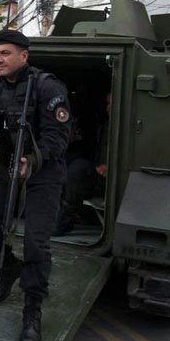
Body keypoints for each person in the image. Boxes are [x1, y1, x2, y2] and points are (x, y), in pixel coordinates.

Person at [0, 29, 71, 341]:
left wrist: (34, 159)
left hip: (42, 170)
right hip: (2, 166)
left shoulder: (47, 86)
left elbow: (59, 135)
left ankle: (32, 309)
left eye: (6, 53)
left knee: (36, 242)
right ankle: (8, 268)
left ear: (24, 55)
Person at [55, 91, 111, 236]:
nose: (108, 108)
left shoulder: (125, 128)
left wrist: (111, 168)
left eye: (111, 104)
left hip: (112, 180)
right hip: (97, 173)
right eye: (107, 104)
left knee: (78, 168)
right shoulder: (105, 125)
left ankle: (66, 219)